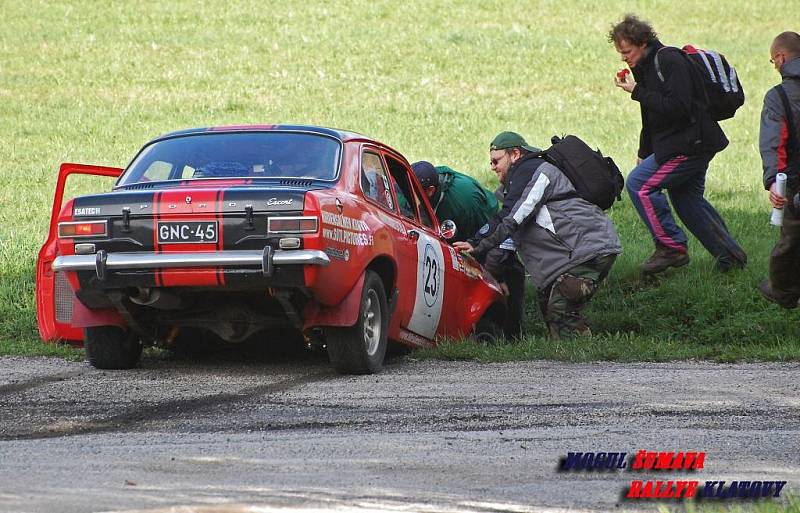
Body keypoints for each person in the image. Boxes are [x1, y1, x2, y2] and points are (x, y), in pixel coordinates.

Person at [609, 14, 747, 274]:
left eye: (626, 51)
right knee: (687, 200)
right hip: (685, 143)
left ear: (643, 43)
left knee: (638, 184)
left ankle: (671, 248)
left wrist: (637, 91)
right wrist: (644, 150)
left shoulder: (670, 60)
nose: (623, 58)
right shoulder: (645, 67)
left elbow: (679, 107)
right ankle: (731, 258)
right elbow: (651, 116)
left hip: (690, 144)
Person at [453, 132, 622, 339]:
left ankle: (585, 360)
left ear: (515, 154)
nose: (492, 167)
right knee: (550, 309)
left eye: (496, 161)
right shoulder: (518, 186)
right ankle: (569, 359)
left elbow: (513, 216)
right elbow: (508, 235)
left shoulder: (535, 172)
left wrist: (476, 243)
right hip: (573, 256)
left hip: (589, 249)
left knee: (560, 310)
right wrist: (491, 270)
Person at [412, 161, 525, 339]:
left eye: (414, 193)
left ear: (430, 191)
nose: (409, 196)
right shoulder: (405, 190)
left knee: (503, 278)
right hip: (451, 225)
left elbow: (494, 236)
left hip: (484, 226)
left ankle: (510, 336)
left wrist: (497, 275)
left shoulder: (466, 201)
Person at [758, 31, 800, 309]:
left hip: (796, 181)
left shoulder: (779, 96)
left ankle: (783, 292)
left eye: (773, 61)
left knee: (791, 239)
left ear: (781, 58)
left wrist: (774, 180)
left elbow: (775, 143)